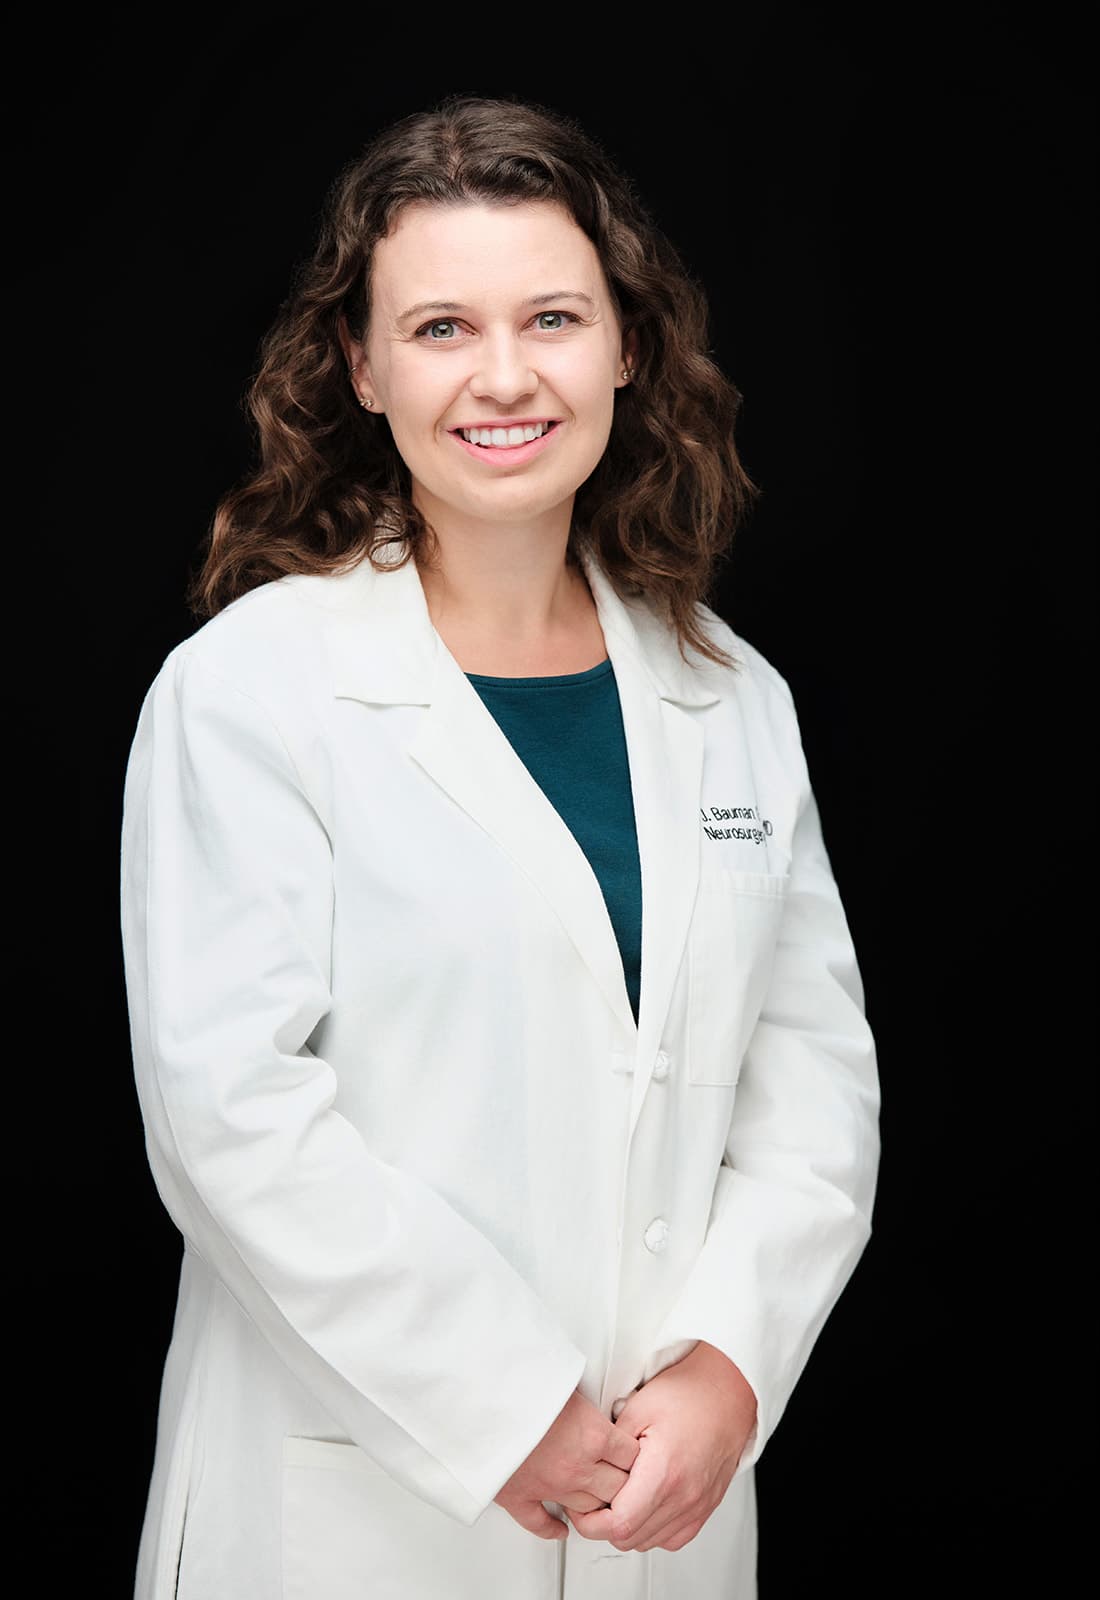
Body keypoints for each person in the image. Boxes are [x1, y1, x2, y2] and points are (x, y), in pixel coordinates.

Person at [119, 92, 880, 1600]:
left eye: (553, 317)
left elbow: (814, 1093)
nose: (506, 375)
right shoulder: (256, 691)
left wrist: (731, 1364)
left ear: (626, 344)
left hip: (662, 1507)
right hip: (357, 1509)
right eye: (442, 328)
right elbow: (232, 1118)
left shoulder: (730, 696)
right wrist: (502, 1405)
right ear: (364, 368)